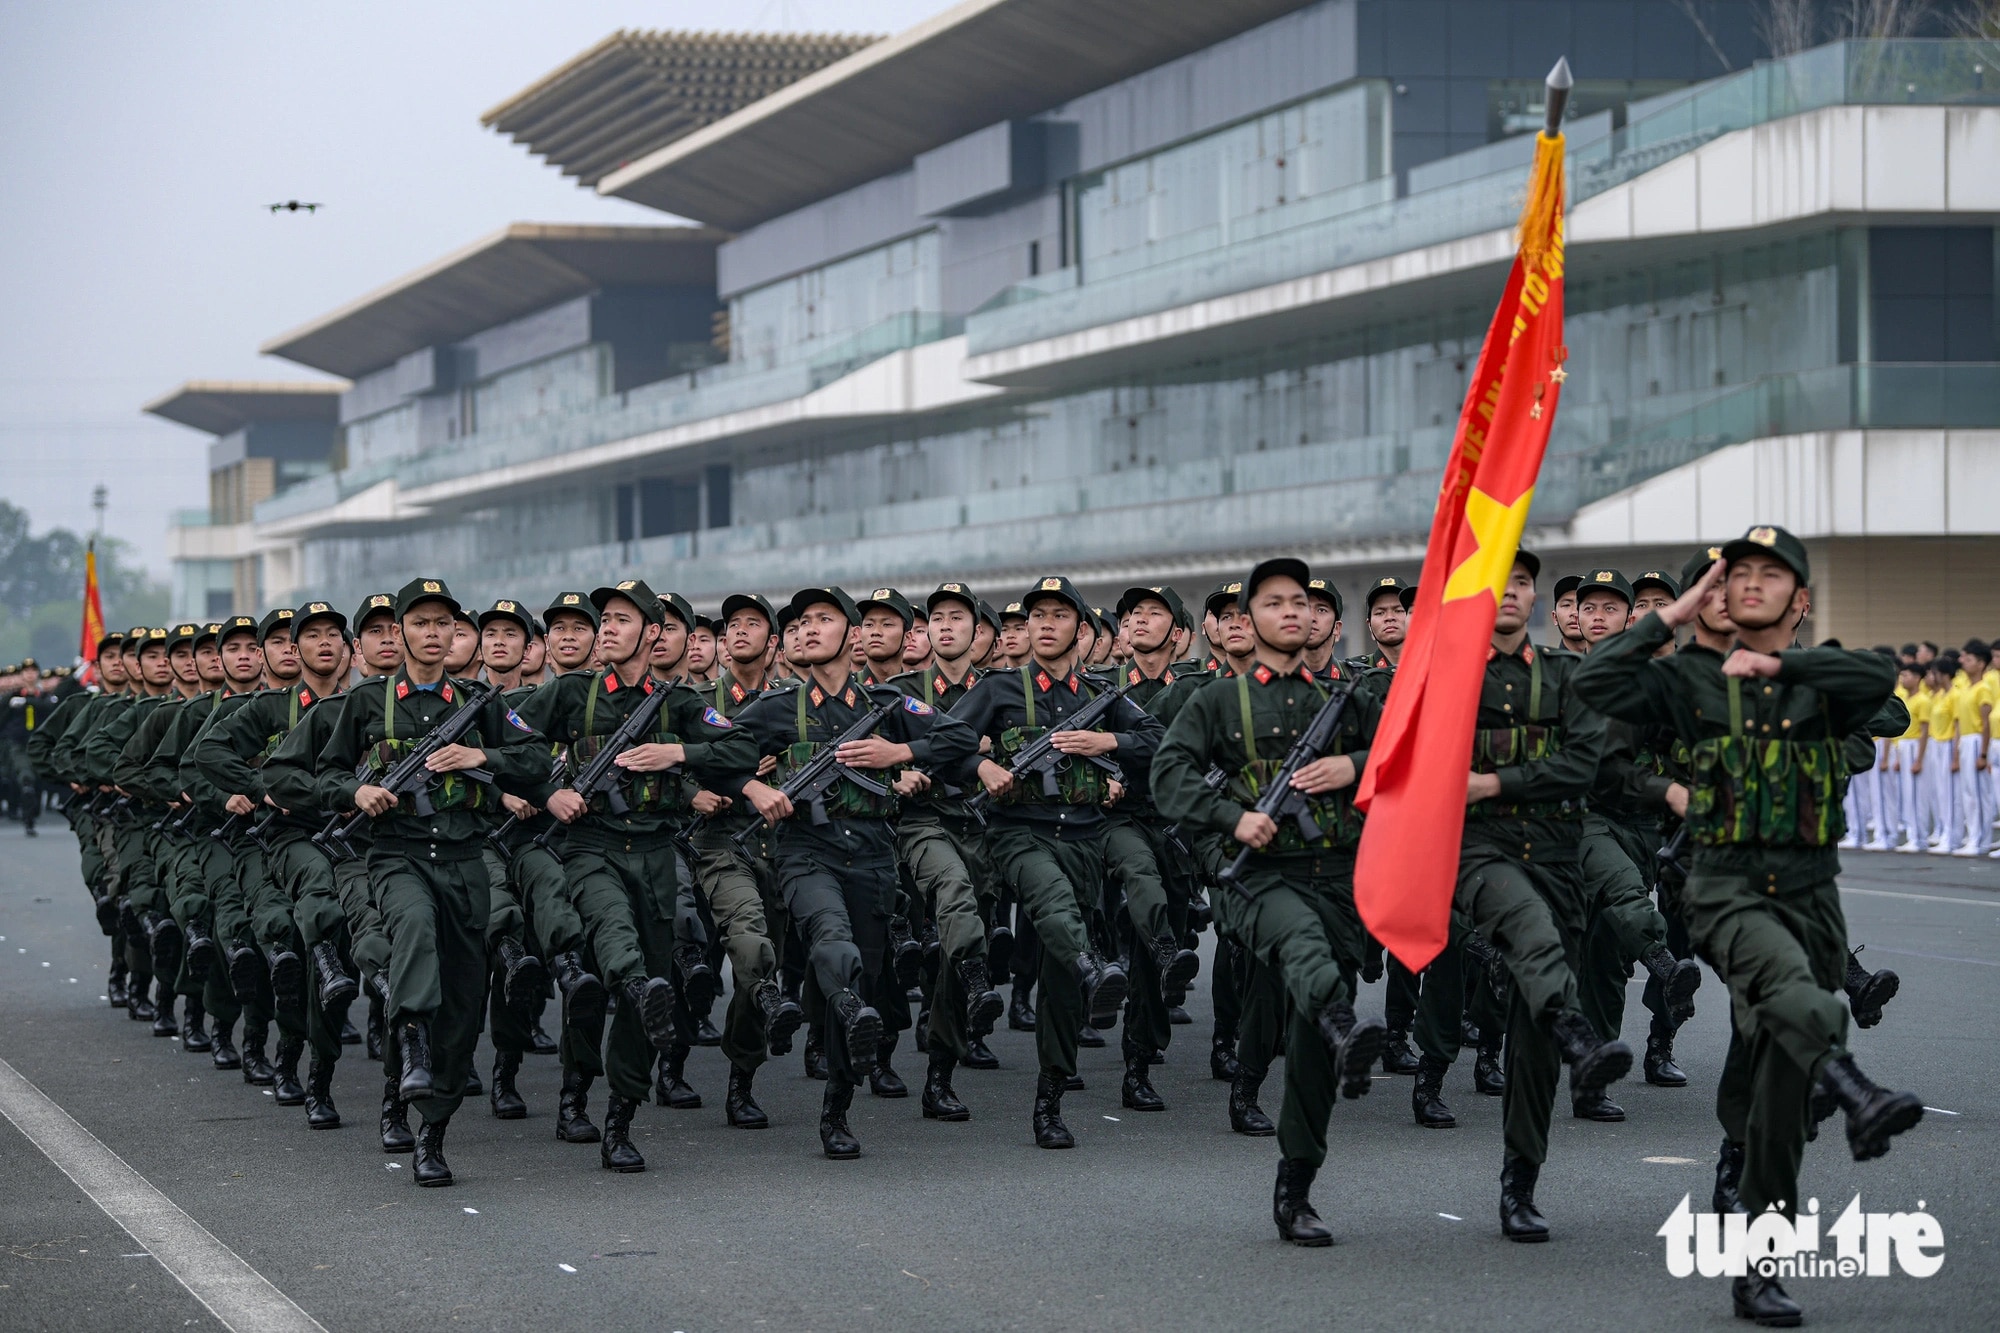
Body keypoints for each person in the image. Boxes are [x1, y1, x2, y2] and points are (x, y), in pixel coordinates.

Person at [1575, 526, 1923, 1326]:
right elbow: (1598, 682)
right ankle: (1850, 1087)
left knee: (1776, 1076)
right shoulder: (1689, 681)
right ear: (1719, 595)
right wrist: (1671, 618)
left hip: (1813, 893)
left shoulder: (1817, 676)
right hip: (1726, 884)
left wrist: (1783, 661)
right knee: (1805, 1003)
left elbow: (1884, 686)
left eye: (1775, 575)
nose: (1753, 585)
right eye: (1739, 576)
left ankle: (1755, 1233)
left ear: (1799, 596)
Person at [1152, 557, 1388, 1244]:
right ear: (1246, 621)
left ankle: (1297, 1183)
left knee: (1315, 1045)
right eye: (1275, 602)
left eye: (1304, 602)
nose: (1292, 611)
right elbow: (1168, 776)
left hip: (1335, 877)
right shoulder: (1219, 702)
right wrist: (1231, 818)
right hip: (1257, 878)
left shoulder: (1341, 700)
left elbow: (1409, 753)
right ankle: (1341, 1023)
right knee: (1300, 948)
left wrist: (1355, 765)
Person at [312, 578, 558, 1187]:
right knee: (414, 932)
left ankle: (431, 1130)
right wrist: (354, 790)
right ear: (399, 632)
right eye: (418, 622)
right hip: (396, 856)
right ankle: (410, 1047)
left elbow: (536, 762)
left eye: (442, 623)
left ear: (455, 634)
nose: (431, 632)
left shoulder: (478, 704)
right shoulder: (367, 702)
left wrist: (484, 759)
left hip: (465, 860)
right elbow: (313, 773)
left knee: (464, 1002)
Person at [726, 586, 978, 1158]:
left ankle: (836, 1105)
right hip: (804, 851)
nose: (809, 629)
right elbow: (717, 754)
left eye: (824, 619)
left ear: (854, 636)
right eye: (802, 622)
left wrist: (899, 755)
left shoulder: (886, 705)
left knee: (859, 972)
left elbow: (961, 735)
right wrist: (754, 786)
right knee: (832, 939)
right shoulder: (777, 707)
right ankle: (813, 1045)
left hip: (871, 854)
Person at [513, 579, 755, 1172]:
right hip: (590, 846)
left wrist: (680, 755)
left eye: (624, 619)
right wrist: (549, 793)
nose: (609, 628)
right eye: (606, 620)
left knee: (644, 990)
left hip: (654, 850)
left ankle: (620, 1118)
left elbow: (741, 749)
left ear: (652, 632)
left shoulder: (678, 703)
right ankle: (574, 1094)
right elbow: (506, 739)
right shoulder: (572, 692)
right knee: (615, 947)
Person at [1449, 551, 1632, 1243]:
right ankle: (1575, 1023)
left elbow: (1582, 763)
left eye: (1521, 581)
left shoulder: (1569, 677)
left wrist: (1494, 780)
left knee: (1535, 1044)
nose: (1509, 592)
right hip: (1480, 856)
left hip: (1558, 858)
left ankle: (1520, 1181)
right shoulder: (1443, 678)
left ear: (1538, 599)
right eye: (1496, 579)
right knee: (1531, 933)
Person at [953, 576, 1161, 1150]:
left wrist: (1107, 745)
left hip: (1085, 841)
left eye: (1058, 615)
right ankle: (1095, 964)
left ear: (1081, 629)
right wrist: (981, 766)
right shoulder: (999, 689)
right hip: (1019, 835)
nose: (1045, 624)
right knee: (1051, 902)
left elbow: (1158, 738)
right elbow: (944, 739)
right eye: (1037, 615)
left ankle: (1050, 1098)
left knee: (1062, 979)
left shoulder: (1101, 697)